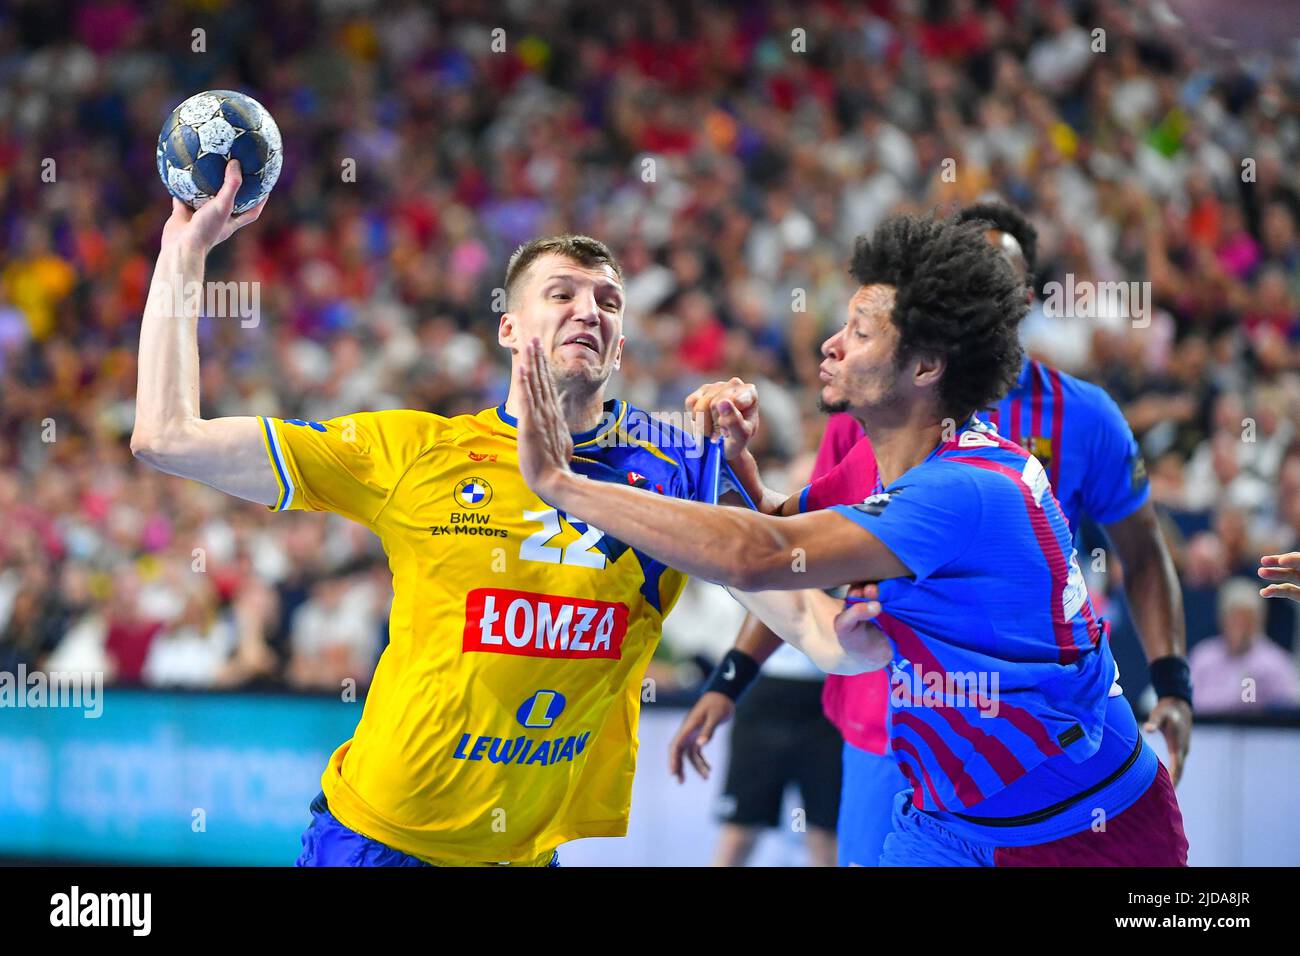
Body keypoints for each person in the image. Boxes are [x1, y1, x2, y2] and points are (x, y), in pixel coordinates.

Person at [515, 212, 1189, 865]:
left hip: (1084, 829)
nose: (831, 344)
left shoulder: (969, 487)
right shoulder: (884, 462)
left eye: (859, 333)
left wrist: (564, 483)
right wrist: (731, 463)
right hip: (947, 823)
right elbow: (779, 527)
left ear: (925, 367)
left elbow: (761, 557)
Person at [131, 160, 749, 866]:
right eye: (562, 294)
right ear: (510, 330)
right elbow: (166, 437)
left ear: (621, 342)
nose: (589, 310)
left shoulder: (680, 465)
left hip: (521, 854)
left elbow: (798, 596)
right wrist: (183, 256)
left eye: (608, 301)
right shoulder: (417, 450)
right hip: (377, 842)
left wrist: (750, 483)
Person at [1190, 578, 1300, 713]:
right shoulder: (1203, 657)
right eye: (1234, 619)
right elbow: (1186, 703)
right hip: (1205, 731)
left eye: (1246, 620)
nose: (1239, 628)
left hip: (1255, 731)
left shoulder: (1275, 663)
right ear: (1222, 619)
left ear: (1259, 621)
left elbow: (1289, 710)